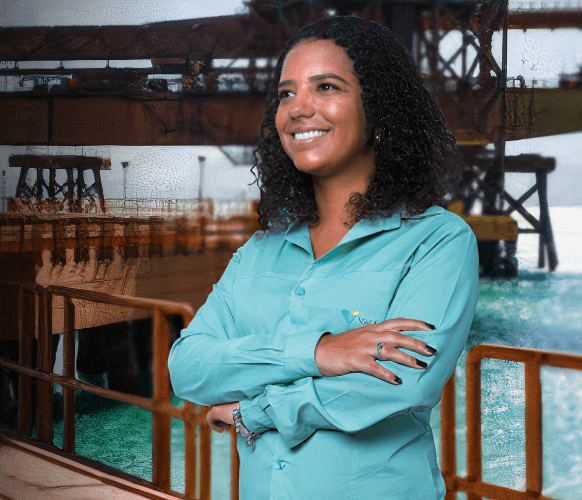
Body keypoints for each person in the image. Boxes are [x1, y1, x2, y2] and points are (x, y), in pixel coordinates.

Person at [168, 15, 479, 500]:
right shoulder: (260, 250)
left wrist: (256, 411)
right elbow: (188, 367)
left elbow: (402, 383)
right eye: (286, 93)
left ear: (378, 106)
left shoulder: (438, 241)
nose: (298, 108)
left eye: (326, 86)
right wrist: (320, 353)